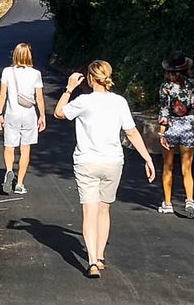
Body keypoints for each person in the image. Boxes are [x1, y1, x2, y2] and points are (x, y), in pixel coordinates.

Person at [54, 60, 156, 276]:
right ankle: (100, 256)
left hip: (87, 162)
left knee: (89, 212)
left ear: (90, 78)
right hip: (112, 162)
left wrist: (69, 88)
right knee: (104, 209)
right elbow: (131, 132)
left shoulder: (83, 101)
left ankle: (91, 262)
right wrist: (147, 158)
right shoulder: (119, 102)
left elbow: (59, 113)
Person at [157, 52, 194, 219]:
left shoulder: (166, 87)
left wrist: (162, 133)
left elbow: (164, 110)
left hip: (172, 125)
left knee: (168, 166)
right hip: (188, 125)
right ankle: (190, 201)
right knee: (187, 168)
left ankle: (167, 204)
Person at [0, 42, 45, 195]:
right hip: (29, 114)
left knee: (9, 146)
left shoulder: (7, 72)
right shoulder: (35, 74)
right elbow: (40, 98)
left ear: (15, 55)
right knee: (25, 149)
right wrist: (42, 115)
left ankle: (9, 170)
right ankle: (20, 184)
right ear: (29, 56)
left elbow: (2, 94)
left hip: (11, 114)